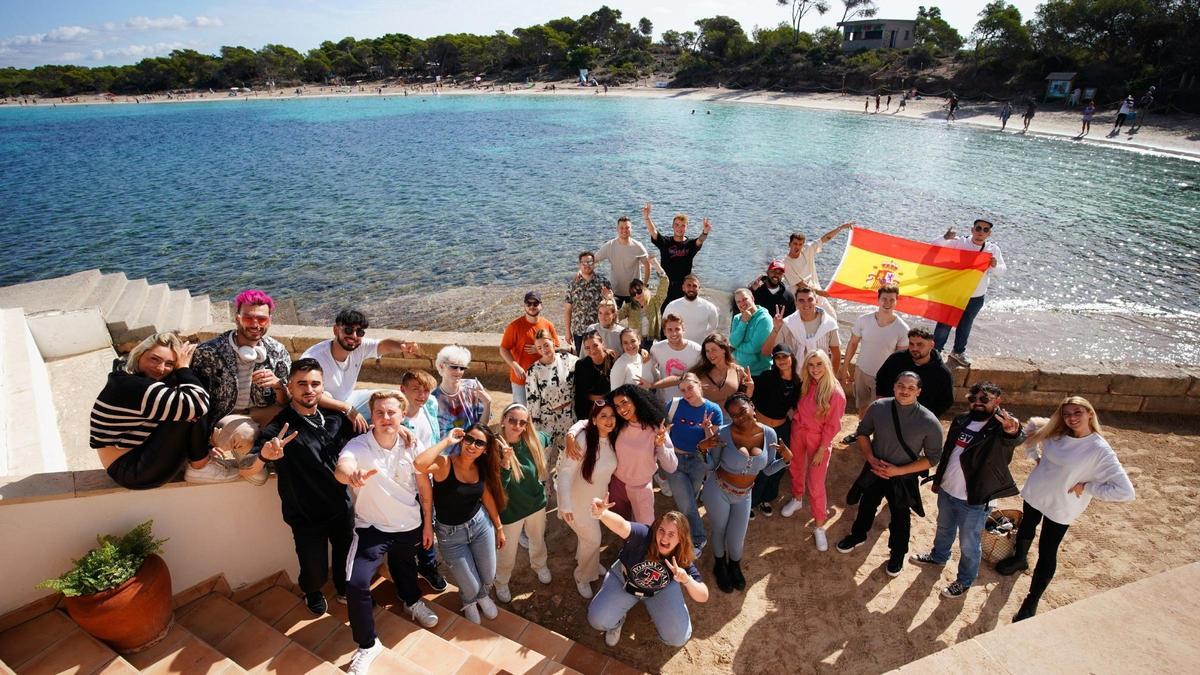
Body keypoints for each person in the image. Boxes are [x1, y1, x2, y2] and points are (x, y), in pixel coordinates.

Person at [995, 396, 1135, 621]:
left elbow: (1126, 492)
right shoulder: (1056, 432)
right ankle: (1019, 559)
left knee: (1047, 551)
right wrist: (1036, 458)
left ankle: (1032, 600)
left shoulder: (1100, 450)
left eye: (1077, 412)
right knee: (1027, 527)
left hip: (1062, 506)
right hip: (1036, 491)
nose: (1071, 418)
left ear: (1090, 414)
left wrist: (1089, 486)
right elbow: (1031, 427)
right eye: (1067, 413)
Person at [336, 391, 446, 673]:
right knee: (357, 583)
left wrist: (427, 523)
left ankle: (411, 602)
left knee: (406, 568)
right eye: (380, 413)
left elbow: (424, 486)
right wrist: (352, 475)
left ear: (402, 415)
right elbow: (342, 467)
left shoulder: (413, 443)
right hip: (372, 528)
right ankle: (368, 644)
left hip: (408, 524)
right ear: (372, 416)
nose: (386, 418)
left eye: (392, 412)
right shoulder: (358, 446)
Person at [246, 359, 356, 615]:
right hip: (306, 515)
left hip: (341, 506)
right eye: (302, 384)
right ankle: (312, 591)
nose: (309, 389)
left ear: (322, 387)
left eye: (315, 384)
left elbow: (366, 441)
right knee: (313, 567)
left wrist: (400, 433)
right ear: (290, 388)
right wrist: (264, 456)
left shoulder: (335, 418)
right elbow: (247, 467)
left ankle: (343, 588)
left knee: (345, 557)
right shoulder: (279, 428)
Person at [910, 382, 1024, 598]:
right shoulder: (962, 420)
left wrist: (1013, 430)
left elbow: (1015, 438)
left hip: (975, 499)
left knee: (969, 543)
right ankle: (939, 556)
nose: (978, 403)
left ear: (997, 401)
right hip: (947, 490)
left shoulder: (999, 427)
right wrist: (939, 479)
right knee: (944, 528)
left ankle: (964, 580)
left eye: (984, 399)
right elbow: (948, 453)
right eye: (973, 399)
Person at [836, 372, 944, 577]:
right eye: (901, 386)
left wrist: (898, 471)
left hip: (902, 477)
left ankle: (897, 554)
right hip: (875, 469)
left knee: (900, 518)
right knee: (867, 505)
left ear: (918, 392)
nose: (905, 391)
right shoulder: (879, 407)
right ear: (894, 387)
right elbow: (862, 432)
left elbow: (932, 458)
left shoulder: (929, 422)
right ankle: (858, 535)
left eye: (911, 388)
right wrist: (870, 458)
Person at [90, 332, 223, 489]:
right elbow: (198, 405)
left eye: (170, 364)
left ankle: (199, 456)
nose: (160, 369)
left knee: (181, 398)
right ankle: (200, 466)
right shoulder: (135, 387)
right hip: (131, 470)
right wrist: (183, 369)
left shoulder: (124, 375)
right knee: (190, 405)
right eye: (154, 359)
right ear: (139, 355)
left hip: (133, 455)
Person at [191, 289, 291, 484]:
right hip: (226, 416)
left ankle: (268, 457)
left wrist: (278, 386)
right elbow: (195, 400)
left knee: (299, 418)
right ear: (237, 318)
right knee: (257, 474)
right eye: (248, 318)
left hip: (260, 413)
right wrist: (202, 444)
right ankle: (251, 459)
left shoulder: (277, 352)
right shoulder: (210, 352)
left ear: (269, 320)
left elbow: (285, 401)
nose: (255, 325)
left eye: (261, 320)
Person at [413, 423, 507, 624]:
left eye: (479, 443)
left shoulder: (480, 467)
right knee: (470, 585)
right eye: (469, 439)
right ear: (463, 439)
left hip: (480, 526)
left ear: (485, 450)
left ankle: (482, 596)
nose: (472, 445)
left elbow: (487, 496)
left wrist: (499, 527)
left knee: (489, 576)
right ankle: (469, 600)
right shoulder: (445, 464)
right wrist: (447, 441)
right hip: (450, 535)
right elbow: (419, 464)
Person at [697, 393, 791, 592]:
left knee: (737, 536)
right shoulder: (723, 433)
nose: (739, 418)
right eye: (734, 415)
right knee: (720, 530)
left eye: (742, 411)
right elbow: (712, 465)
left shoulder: (770, 435)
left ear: (752, 407)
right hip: (719, 490)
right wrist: (702, 449)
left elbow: (767, 469)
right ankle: (720, 565)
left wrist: (786, 460)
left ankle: (735, 565)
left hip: (745, 494)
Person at [586, 503, 709, 647]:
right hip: (624, 581)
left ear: (680, 539)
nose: (664, 538)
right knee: (597, 620)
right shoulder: (645, 535)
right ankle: (617, 621)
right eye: (661, 530)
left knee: (678, 638)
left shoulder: (681, 557)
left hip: (659, 591)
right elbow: (622, 526)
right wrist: (603, 514)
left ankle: (659, 612)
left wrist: (687, 580)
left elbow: (703, 595)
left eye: (671, 534)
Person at [301, 309, 420, 426]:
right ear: (336, 330)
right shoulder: (314, 358)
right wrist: (347, 408)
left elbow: (383, 345)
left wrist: (402, 345)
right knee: (330, 400)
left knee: (396, 400)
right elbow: (307, 394)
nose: (354, 336)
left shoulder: (360, 347)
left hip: (348, 399)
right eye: (348, 330)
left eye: (360, 332)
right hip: (325, 410)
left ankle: (406, 433)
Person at [779, 350, 846, 551]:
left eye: (819, 364)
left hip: (819, 440)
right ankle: (797, 498)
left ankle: (819, 525)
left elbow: (833, 425)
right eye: (811, 365)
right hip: (799, 432)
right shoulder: (806, 384)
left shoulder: (835, 392)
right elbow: (800, 406)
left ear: (827, 365)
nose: (815, 369)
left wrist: (822, 448)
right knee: (796, 467)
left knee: (816, 483)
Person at [558, 400, 621, 598]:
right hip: (576, 504)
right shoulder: (583, 440)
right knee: (594, 540)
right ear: (594, 420)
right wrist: (566, 505)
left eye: (612, 415)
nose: (609, 420)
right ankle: (583, 576)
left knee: (588, 540)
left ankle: (589, 561)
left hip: (596, 503)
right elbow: (565, 474)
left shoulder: (613, 439)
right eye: (603, 416)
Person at [493, 404, 552, 603]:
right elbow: (498, 487)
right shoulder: (494, 448)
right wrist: (506, 464)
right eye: (512, 420)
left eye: (522, 422)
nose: (517, 426)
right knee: (507, 552)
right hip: (510, 511)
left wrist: (570, 438)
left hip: (536, 504)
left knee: (537, 539)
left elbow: (549, 436)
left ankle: (539, 565)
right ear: (503, 420)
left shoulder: (533, 440)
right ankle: (501, 581)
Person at [398, 369, 449, 591]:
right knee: (415, 528)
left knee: (430, 522)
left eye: (426, 390)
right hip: (409, 484)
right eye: (415, 389)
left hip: (432, 477)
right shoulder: (395, 418)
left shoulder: (430, 406)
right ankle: (417, 567)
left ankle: (427, 565)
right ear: (402, 390)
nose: (421, 394)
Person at [931, 219, 1007, 366]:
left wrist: (995, 265)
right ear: (972, 230)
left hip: (976, 296)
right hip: (954, 292)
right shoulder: (960, 243)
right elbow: (933, 246)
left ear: (989, 233)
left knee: (965, 325)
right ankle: (936, 352)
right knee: (944, 324)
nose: (981, 232)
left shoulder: (993, 249)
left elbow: (1002, 272)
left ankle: (958, 352)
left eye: (985, 230)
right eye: (978, 228)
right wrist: (945, 237)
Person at [663, 373, 724, 553]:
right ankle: (698, 538)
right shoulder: (673, 405)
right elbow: (662, 430)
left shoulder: (714, 410)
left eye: (690, 388)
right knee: (687, 503)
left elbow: (712, 442)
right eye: (682, 390)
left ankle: (683, 523)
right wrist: (664, 431)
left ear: (699, 385)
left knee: (690, 497)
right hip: (675, 460)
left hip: (698, 460)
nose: (687, 393)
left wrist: (707, 429)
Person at [609, 384, 677, 524]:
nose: (621, 409)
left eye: (624, 402)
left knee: (644, 530)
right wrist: (572, 434)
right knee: (622, 526)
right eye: (616, 406)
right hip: (617, 486)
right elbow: (590, 422)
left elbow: (672, 466)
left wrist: (661, 446)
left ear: (636, 400)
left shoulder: (656, 428)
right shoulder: (617, 425)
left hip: (641, 488)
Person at [840, 285, 910, 419]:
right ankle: (861, 432)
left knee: (877, 411)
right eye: (884, 299)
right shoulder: (864, 320)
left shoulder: (902, 329)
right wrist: (845, 368)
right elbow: (853, 344)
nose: (887, 303)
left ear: (896, 301)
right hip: (861, 371)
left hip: (883, 377)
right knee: (862, 406)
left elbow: (900, 359)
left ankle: (873, 436)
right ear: (878, 300)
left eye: (891, 300)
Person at [750, 344, 801, 517]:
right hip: (762, 428)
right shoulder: (766, 376)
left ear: (791, 357)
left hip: (781, 428)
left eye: (784, 357)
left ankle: (766, 498)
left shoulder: (797, 382)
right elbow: (752, 397)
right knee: (758, 464)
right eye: (778, 357)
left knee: (779, 464)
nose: (781, 361)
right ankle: (750, 501)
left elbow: (794, 408)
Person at [874, 327, 955, 418]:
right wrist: (881, 402)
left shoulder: (942, 373)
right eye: (911, 344)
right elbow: (881, 378)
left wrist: (926, 417)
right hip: (889, 414)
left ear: (932, 345)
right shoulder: (896, 359)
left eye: (920, 344)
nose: (914, 348)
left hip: (918, 422)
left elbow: (946, 401)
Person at [643, 202, 711, 308]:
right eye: (677, 225)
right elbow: (653, 232)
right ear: (672, 226)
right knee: (665, 314)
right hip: (666, 284)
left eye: (683, 225)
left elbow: (700, 241)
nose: (680, 228)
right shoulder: (665, 242)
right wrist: (647, 217)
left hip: (684, 286)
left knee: (683, 315)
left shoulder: (690, 244)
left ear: (686, 227)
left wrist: (705, 232)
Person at [761, 286, 842, 374]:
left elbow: (836, 354)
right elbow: (766, 352)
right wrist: (776, 329)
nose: (806, 304)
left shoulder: (829, 324)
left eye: (810, 299)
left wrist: (832, 378)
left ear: (817, 301)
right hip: (796, 378)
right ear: (796, 303)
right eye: (801, 300)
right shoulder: (787, 324)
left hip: (821, 377)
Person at [500, 291, 562, 404]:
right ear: (524, 306)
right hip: (521, 379)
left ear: (541, 305)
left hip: (544, 377)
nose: (532, 307)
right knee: (522, 412)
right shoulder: (514, 326)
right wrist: (515, 366)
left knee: (544, 411)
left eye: (535, 303)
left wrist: (539, 349)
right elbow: (503, 349)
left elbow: (556, 347)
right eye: (528, 304)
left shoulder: (548, 325)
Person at [782, 223, 851, 320]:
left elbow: (825, 238)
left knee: (832, 317)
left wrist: (841, 228)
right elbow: (800, 284)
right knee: (807, 324)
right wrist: (819, 292)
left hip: (817, 293)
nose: (797, 247)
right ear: (789, 244)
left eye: (800, 244)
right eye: (795, 244)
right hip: (802, 298)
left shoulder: (807, 249)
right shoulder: (785, 263)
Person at [526, 329, 578, 457]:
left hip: (568, 416)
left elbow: (588, 364)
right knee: (543, 456)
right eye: (539, 347)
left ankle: (559, 477)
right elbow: (533, 399)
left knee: (567, 456)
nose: (544, 349)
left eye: (546, 345)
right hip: (546, 418)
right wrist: (534, 426)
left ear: (553, 342)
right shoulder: (533, 370)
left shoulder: (569, 360)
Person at [432, 345, 492, 436]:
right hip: (449, 449)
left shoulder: (473, 387)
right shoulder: (433, 399)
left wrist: (487, 404)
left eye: (462, 368)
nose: (458, 371)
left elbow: (483, 426)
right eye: (454, 367)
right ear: (441, 366)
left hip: (473, 445)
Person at [646, 313, 703, 404]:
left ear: (683, 329)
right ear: (664, 332)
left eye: (677, 329)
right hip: (664, 400)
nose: (674, 333)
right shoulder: (656, 349)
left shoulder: (697, 350)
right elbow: (649, 369)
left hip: (690, 401)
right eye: (669, 330)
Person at [594, 216, 650, 308]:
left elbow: (647, 265)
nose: (624, 230)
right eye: (621, 228)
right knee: (613, 319)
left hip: (634, 292)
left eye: (627, 227)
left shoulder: (638, 246)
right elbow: (594, 260)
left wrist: (644, 286)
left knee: (636, 321)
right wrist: (583, 272)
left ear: (631, 229)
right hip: (615, 291)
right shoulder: (610, 245)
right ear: (617, 229)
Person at [565, 251, 614, 353]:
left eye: (590, 262)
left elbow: (611, 307)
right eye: (584, 263)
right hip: (579, 330)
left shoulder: (603, 282)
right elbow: (568, 310)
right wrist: (567, 331)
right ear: (580, 265)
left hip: (598, 330)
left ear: (594, 264)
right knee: (582, 360)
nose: (587, 265)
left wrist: (608, 297)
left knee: (601, 357)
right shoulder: (572, 284)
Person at [692, 333, 753, 411]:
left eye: (714, 350)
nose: (710, 354)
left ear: (724, 350)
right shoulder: (699, 373)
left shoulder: (738, 370)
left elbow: (745, 400)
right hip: (707, 420)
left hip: (732, 420)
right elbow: (680, 380)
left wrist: (750, 389)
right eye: (707, 351)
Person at [618, 260, 670, 348]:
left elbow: (664, 283)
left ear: (644, 288)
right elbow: (616, 317)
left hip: (652, 340)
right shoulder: (628, 307)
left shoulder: (655, 302)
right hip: (635, 342)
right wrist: (609, 299)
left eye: (639, 291)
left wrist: (656, 265)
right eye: (633, 294)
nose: (637, 295)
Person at [663, 275, 719, 344]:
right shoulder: (672, 306)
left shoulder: (709, 307)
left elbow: (713, 326)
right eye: (689, 285)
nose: (691, 289)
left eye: (694, 286)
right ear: (683, 287)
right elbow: (664, 325)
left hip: (700, 347)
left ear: (699, 288)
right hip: (676, 346)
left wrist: (701, 335)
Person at [574, 331, 616, 420]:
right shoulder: (581, 365)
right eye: (587, 348)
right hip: (590, 410)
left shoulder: (613, 360)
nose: (592, 350)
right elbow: (579, 394)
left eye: (595, 345)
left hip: (612, 408)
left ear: (602, 344)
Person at [730, 288, 773, 376]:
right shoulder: (737, 318)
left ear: (752, 298)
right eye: (738, 302)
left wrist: (737, 347)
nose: (742, 303)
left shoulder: (764, 319)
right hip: (740, 371)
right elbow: (733, 342)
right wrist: (743, 322)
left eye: (745, 299)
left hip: (760, 373)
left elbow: (754, 348)